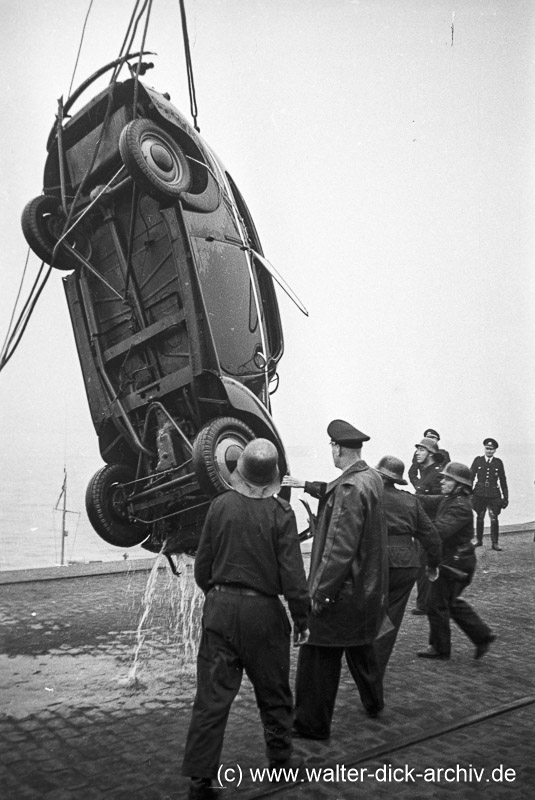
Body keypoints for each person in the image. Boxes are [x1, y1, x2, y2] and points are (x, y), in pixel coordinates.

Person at [181, 439, 310, 800]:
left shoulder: (219, 506)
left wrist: (220, 597)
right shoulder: (282, 513)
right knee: (274, 693)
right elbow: (293, 578)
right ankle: (281, 763)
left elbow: (202, 567)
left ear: (240, 473)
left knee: (211, 698)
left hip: (219, 609)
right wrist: (301, 619)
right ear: (273, 477)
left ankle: (200, 781)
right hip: (264, 614)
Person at [282, 419, 390, 739]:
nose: (331, 450)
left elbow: (337, 550)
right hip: (366, 592)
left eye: (332, 446)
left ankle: (310, 725)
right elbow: (337, 490)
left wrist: (318, 593)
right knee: (360, 645)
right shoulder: (370, 478)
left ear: (338, 448)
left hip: (342, 592)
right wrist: (306, 484)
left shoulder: (349, 488)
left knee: (317, 654)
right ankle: (374, 702)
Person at [416, 462, 496, 661]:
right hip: (456, 560)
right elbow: (426, 500)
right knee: (448, 602)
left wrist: (416, 528)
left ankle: (440, 649)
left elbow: (439, 532)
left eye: (447, 479)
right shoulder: (450, 499)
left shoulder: (460, 506)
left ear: (459, 484)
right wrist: (402, 497)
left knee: (436, 603)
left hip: (457, 563)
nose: (442, 481)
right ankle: (482, 636)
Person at [373, 456, 442, 677]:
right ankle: (377, 664)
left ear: (378, 476)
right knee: (391, 617)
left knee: (371, 611)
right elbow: (431, 537)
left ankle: (365, 660)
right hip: (405, 564)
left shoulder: (369, 496)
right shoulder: (410, 500)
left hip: (375, 562)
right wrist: (433, 564)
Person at [410, 437, 445, 615]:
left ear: (431, 454)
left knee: (425, 565)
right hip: (421, 525)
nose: (418, 452)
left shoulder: (437, 473)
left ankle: (425, 604)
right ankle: (425, 602)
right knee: (420, 565)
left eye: (422, 450)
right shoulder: (425, 472)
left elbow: (442, 500)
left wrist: (418, 499)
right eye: (418, 449)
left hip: (430, 526)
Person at [470, 438, 509, 551]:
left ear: (495, 450)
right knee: (480, 516)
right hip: (479, 493)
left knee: (494, 518)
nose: (489, 451)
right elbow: (471, 478)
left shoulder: (498, 463)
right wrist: (469, 493)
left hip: (493, 494)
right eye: (487, 448)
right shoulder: (478, 460)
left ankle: (495, 543)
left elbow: (503, 481)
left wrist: (505, 497)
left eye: (491, 449)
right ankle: (479, 540)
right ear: (484, 448)